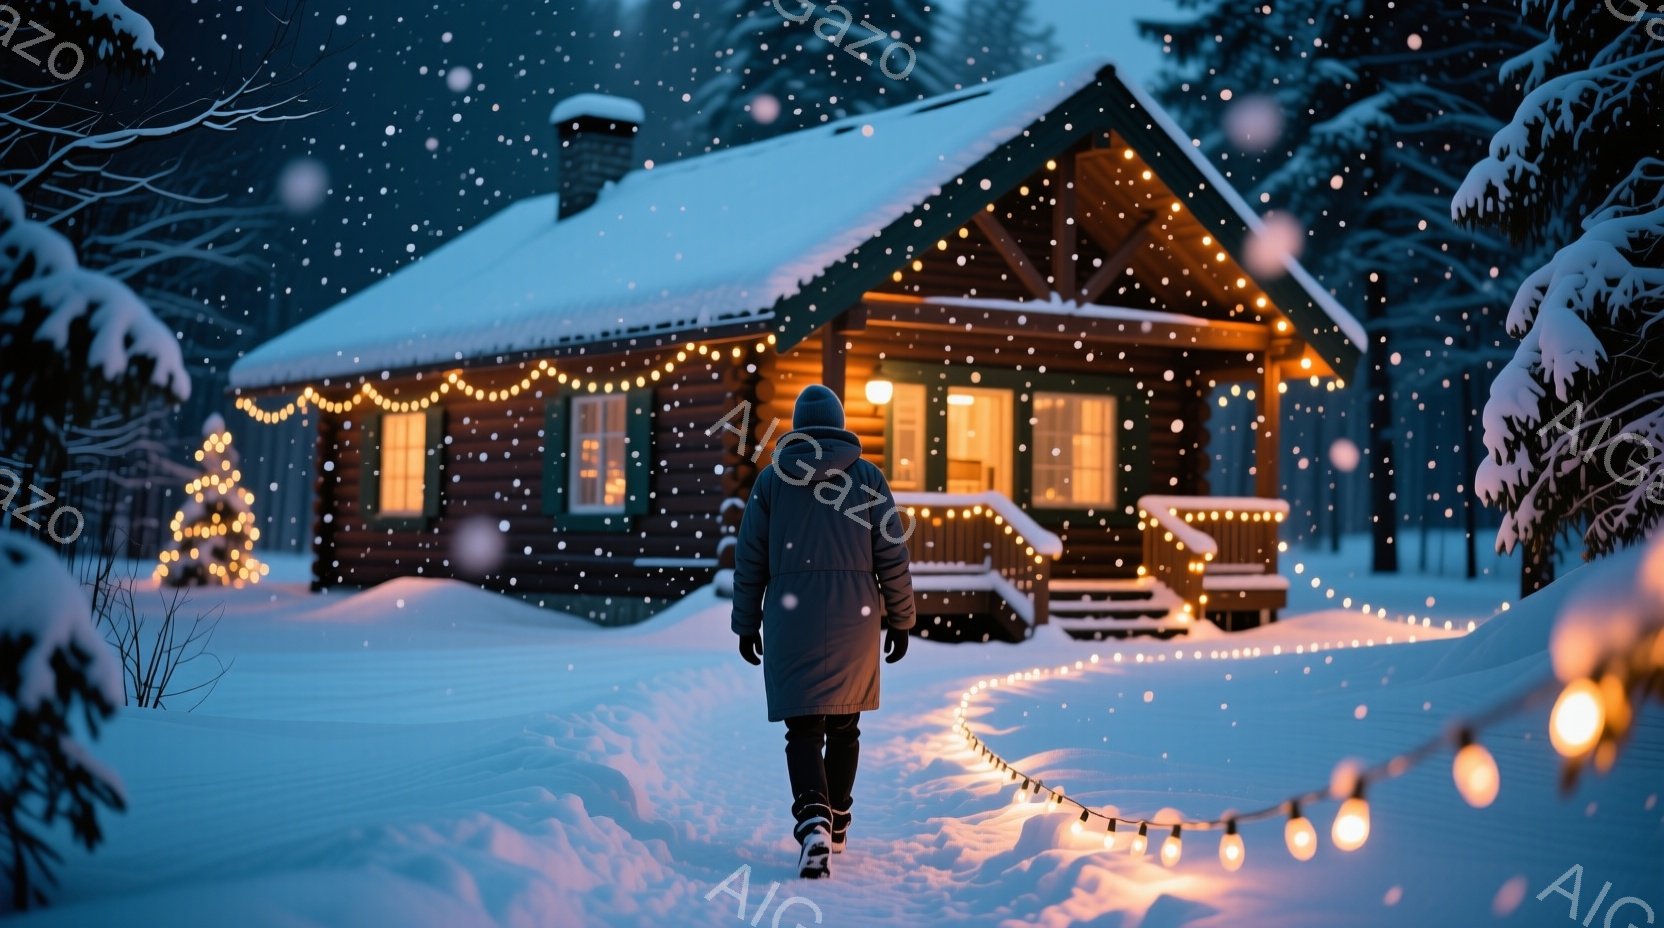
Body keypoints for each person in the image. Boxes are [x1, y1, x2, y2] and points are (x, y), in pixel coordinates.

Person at [730, 383, 916, 879]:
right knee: (845, 725)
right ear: (838, 422)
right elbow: (892, 555)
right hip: (854, 615)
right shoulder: (869, 478)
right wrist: (900, 616)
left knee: (804, 728)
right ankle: (836, 822)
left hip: (792, 617)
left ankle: (813, 814)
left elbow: (749, 558)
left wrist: (746, 621)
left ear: (797, 426)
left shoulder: (772, 482)